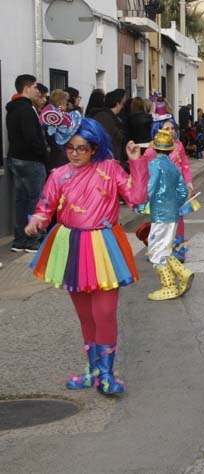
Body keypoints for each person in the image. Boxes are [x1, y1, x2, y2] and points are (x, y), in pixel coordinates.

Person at [25, 115, 148, 395]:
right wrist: (36, 221)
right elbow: (45, 207)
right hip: (71, 245)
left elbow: (137, 200)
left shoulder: (111, 169)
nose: (75, 153)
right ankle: (93, 371)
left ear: (94, 148)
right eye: (70, 148)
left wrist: (137, 163)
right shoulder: (59, 175)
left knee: (104, 313)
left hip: (104, 245)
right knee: (85, 316)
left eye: (82, 148)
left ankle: (107, 374)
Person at [143, 130, 193, 301]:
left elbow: (150, 185)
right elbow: (182, 191)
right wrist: (175, 204)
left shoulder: (154, 164)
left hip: (160, 213)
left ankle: (169, 286)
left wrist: (141, 202)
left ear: (154, 148)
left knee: (156, 249)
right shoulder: (173, 166)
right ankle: (182, 272)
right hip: (172, 212)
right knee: (163, 247)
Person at [5, 74, 48, 253]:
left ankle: (19, 239)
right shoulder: (27, 109)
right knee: (34, 200)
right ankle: (32, 239)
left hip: (15, 158)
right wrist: (43, 152)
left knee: (20, 200)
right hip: (31, 160)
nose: (37, 90)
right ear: (27, 88)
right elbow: (31, 136)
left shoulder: (12, 108)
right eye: (35, 87)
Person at [143, 116, 194, 261]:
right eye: (166, 129)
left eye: (172, 128)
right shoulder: (151, 150)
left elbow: (185, 165)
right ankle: (157, 247)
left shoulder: (178, 145)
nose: (170, 132)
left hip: (176, 190)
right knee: (159, 221)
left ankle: (178, 248)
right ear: (157, 130)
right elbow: (147, 172)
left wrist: (188, 182)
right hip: (159, 194)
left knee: (179, 218)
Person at [93, 89, 127, 170]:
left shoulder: (113, 117)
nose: (122, 107)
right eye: (122, 103)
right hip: (108, 163)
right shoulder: (105, 117)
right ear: (117, 103)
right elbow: (107, 141)